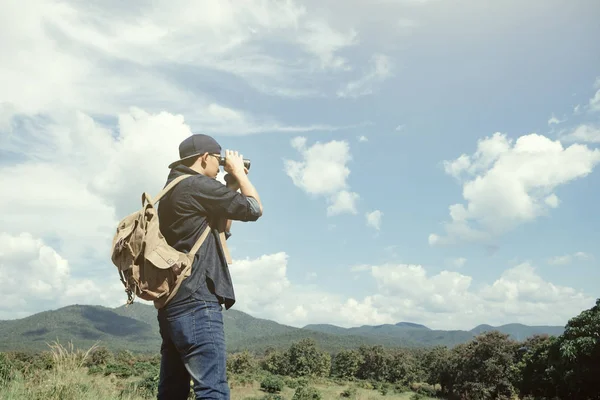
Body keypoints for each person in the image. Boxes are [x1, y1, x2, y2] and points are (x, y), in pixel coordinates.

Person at [155, 133, 263, 399]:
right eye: (218, 159)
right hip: (197, 300)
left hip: (172, 303)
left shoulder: (172, 189)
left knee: (172, 390)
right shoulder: (197, 185)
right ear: (204, 158)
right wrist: (240, 173)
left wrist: (230, 185)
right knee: (212, 389)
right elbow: (254, 209)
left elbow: (220, 229)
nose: (220, 165)